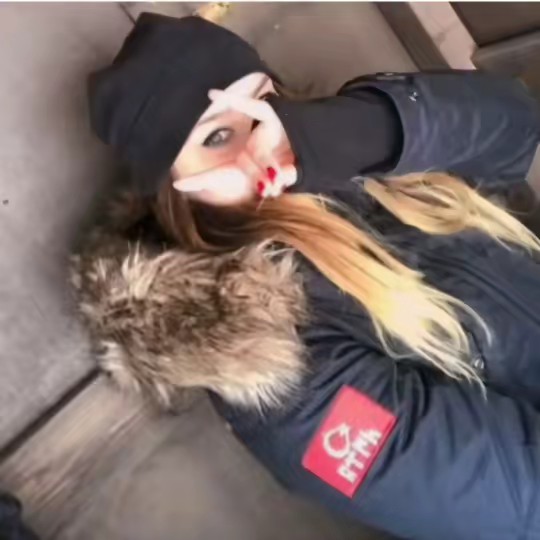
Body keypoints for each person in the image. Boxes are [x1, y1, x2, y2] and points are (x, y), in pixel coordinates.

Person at [78, 12, 540, 540]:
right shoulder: (268, 365)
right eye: (217, 136)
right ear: (173, 189)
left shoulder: (350, 164)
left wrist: (356, 133)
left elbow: (515, 127)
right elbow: (519, 494)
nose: (257, 146)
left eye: (262, 104)